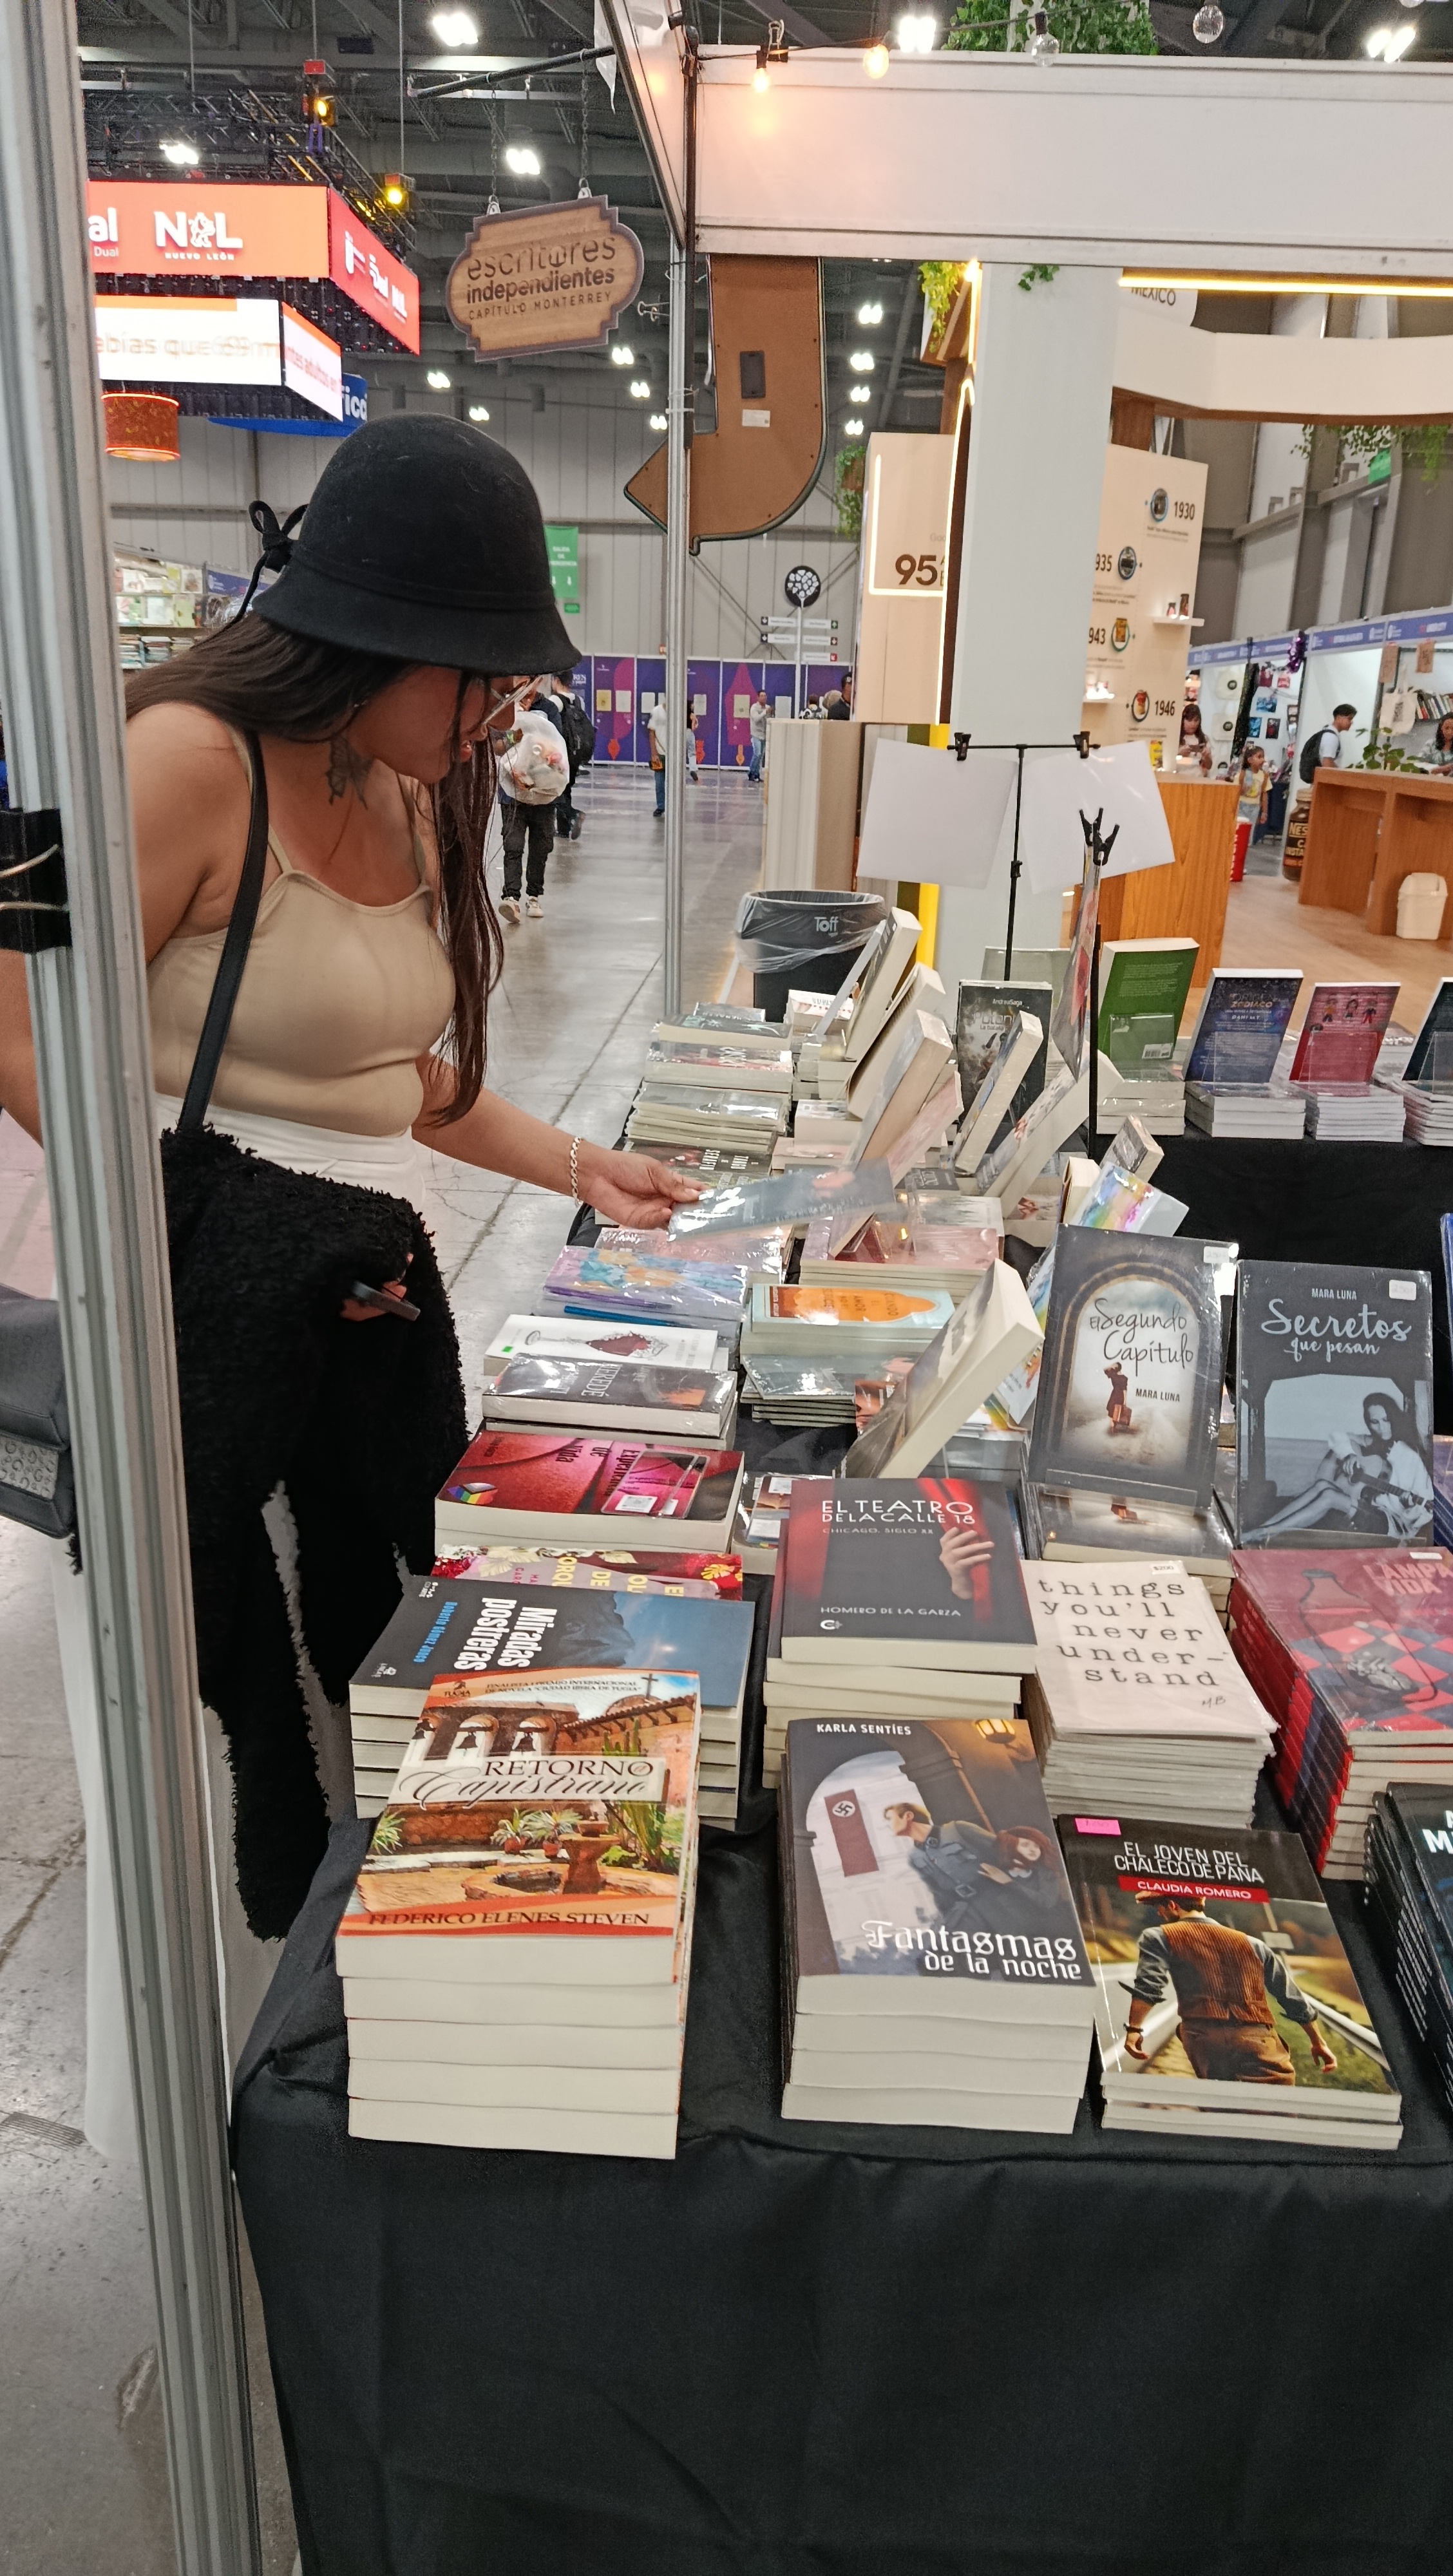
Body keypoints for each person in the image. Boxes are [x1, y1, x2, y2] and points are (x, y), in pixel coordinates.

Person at [0, 415, 698, 2151]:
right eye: (482, 676)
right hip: (183, 1320)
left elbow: (400, 1076)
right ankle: (195, 2127)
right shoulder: (187, 762)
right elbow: (15, 1026)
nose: (500, 716)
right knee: (199, 1726)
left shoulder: (410, 784)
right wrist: (192, 1216)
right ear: (377, 638)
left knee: (346, 1696)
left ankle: (314, 2095)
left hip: (354, 1318)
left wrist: (578, 1166)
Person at [1123, 1889, 1338, 2085]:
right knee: (1276, 2106)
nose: (1159, 1913)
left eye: (1159, 1907)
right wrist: (1318, 2041)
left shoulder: (1159, 1936)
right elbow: (1291, 1996)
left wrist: (1134, 2029)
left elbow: (1149, 1985)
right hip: (1258, 2037)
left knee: (1223, 2104)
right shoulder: (1254, 1944)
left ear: (1172, 1905)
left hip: (1203, 2038)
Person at [885, 1804, 1071, 1939]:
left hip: (1005, 1900)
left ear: (908, 1816)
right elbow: (938, 1893)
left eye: (890, 1819)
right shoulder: (915, 1857)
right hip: (973, 1912)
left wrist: (1032, 1879)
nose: (888, 1825)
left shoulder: (957, 1830)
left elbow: (1005, 1850)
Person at [498, 689, 567, 922]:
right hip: (512, 793)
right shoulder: (506, 708)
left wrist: (533, 727)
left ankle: (534, 896)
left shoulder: (549, 709)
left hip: (544, 792)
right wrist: (514, 736)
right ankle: (511, 897)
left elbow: (557, 747)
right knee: (513, 844)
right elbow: (497, 745)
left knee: (541, 846)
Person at [549, 670, 592, 842]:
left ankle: (573, 815)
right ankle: (564, 829)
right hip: (575, 755)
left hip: (561, 755)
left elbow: (551, 729)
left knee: (556, 793)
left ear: (556, 680)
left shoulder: (555, 701)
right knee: (566, 790)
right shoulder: (579, 701)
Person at [1232, 741, 1269, 879]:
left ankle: (1242, 865)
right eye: (1259, 757)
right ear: (1250, 760)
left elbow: (1264, 794)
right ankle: (1233, 862)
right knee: (1237, 835)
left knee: (1247, 838)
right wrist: (1242, 790)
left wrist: (1264, 812)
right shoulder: (1242, 775)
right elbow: (1235, 793)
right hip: (1241, 806)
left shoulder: (1264, 776)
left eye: (1263, 757)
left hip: (1254, 808)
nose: (1262, 760)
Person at [746, 687, 768, 783]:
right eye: (762, 696)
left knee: (761, 756)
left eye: (765, 696)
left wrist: (770, 713)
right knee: (757, 753)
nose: (764, 698)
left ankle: (757, 774)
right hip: (756, 735)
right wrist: (765, 713)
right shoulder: (754, 708)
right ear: (758, 698)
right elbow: (756, 719)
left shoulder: (767, 708)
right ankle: (751, 772)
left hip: (764, 735)